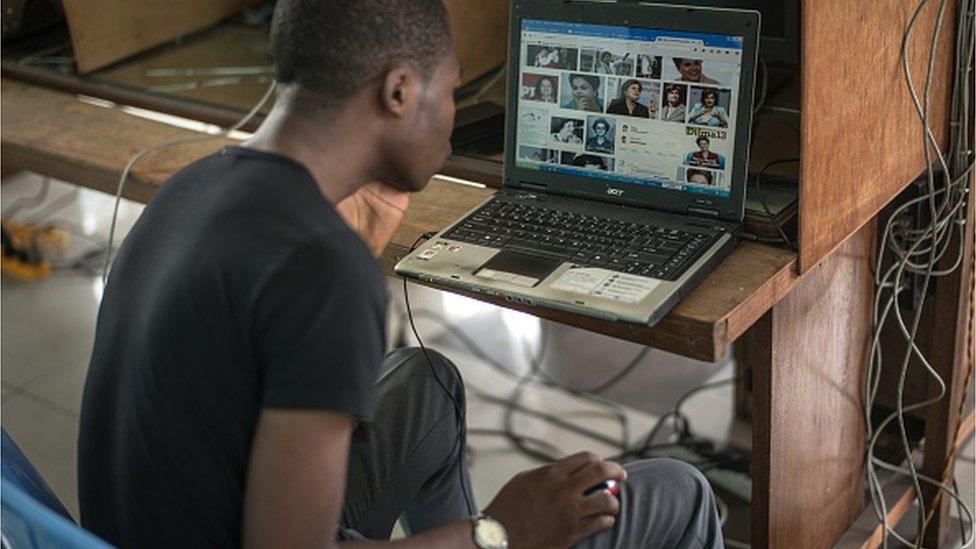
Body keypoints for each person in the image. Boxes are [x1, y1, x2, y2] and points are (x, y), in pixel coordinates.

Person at [78, 1, 724, 548]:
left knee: (426, 382)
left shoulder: (197, 183)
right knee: (680, 491)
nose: (451, 119)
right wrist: (499, 531)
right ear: (399, 91)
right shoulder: (320, 268)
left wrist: (351, 255)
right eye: (450, 91)